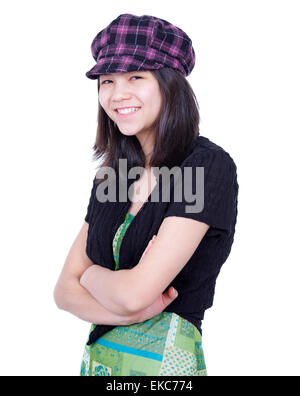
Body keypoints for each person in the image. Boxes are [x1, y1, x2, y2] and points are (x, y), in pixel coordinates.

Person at [53, 13, 239, 376]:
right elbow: (63, 291)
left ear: (171, 84)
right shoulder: (114, 176)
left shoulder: (201, 167)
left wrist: (92, 277)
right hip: (99, 364)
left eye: (136, 77)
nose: (118, 93)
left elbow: (133, 293)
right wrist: (127, 308)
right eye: (107, 80)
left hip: (163, 366)